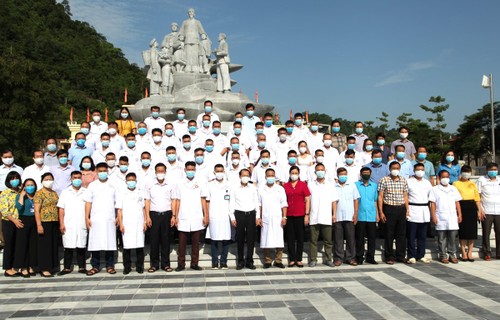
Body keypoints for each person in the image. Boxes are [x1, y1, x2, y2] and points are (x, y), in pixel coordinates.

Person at [172, 161, 208, 271]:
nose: (190, 171)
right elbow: (176, 200)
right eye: (189, 169)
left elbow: (203, 199)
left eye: (192, 169)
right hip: (183, 216)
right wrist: (175, 216)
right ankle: (181, 264)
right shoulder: (179, 183)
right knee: (182, 243)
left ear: (195, 170)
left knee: (195, 243)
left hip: (197, 216)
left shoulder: (200, 182)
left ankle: (194, 263)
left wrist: (206, 215)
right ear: (185, 170)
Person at [85, 163, 118, 276]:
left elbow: (118, 202)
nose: (103, 173)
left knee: (110, 242)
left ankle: (110, 265)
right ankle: (95, 265)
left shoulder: (113, 184)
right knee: (95, 242)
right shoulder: (92, 185)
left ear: (108, 171)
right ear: (96, 172)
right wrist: (87, 217)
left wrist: (118, 216)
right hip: (96, 218)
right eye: (100, 171)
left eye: (104, 170)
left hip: (110, 218)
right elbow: (88, 202)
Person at [144, 163, 175, 273]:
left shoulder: (170, 184)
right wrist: (147, 216)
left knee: (166, 240)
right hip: (154, 215)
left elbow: (173, 200)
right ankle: (154, 264)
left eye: (162, 171)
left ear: (165, 172)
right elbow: (147, 201)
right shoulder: (149, 184)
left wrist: (174, 216)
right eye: (158, 171)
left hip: (166, 215)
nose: (160, 173)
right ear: (155, 172)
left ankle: (166, 264)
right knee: (154, 241)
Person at [378, 161, 409, 264]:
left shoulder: (403, 180)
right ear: (389, 169)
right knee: (389, 234)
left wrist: (407, 209)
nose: (395, 170)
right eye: (393, 168)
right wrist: (381, 212)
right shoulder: (384, 180)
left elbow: (405, 195)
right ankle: (389, 256)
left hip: (401, 208)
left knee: (401, 234)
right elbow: (380, 196)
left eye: (397, 168)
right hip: (389, 208)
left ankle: (400, 256)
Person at [57, 171, 87, 275]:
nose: (77, 179)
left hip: (82, 222)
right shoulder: (65, 192)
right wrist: (61, 223)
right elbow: (61, 209)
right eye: (75, 177)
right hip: (68, 223)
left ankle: (82, 267)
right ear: (71, 179)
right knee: (68, 247)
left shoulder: (86, 191)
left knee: (81, 246)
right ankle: (66, 268)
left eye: (79, 177)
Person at [308, 163, 339, 267]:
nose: (320, 171)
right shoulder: (310, 184)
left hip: (326, 216)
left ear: (325, 171)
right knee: (313, 240)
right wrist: (307, 214)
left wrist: (334, 214)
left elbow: (334, 200)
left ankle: (328, 258)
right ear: (315, 172)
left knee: (328, 240)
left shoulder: (330, 184)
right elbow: (307, 200)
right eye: (318, 170)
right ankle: (313, 259)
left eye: (322, 169)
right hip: (314, 216)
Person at [430, 170, 462, 264]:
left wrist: (459, 214)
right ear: (439, 178)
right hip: (440, 216)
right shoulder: (435, 189)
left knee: (452, 238)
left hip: (452, 216)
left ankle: (452, 255)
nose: (445, 179)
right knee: (441, 238)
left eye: (447, 177)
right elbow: (433, 204)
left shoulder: (453, 188)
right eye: (443, 177)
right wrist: (434, 216)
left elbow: (457, 202)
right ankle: (443, 255)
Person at [229, 168, 259, 270]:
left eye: (247, 175)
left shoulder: (253, 188)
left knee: (251, 238)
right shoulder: (234, 188)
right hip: (239, 214)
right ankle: (240, 261)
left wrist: (258, 216)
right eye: (243, 175)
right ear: (239, 176)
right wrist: (232, 217)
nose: (245, 177)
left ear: (249, 177)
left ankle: (249, 261)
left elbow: (256, 203)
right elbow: (231, 203)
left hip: (251, 214)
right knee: (240, 238)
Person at [117, 173, 146, 274]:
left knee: (139, 246)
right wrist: (121, 224)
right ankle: (127, 267)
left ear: (136, 181)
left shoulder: (141, 193)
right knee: (127, 247)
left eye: (133, 180)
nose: (131, 182)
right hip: (127, 223)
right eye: (129, 180)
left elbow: (144, 208)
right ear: (126, 182)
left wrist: (145, 221)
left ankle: (139, 266)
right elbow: (119, 210)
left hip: (139, 222)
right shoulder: (121, 193)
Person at [258, 168, 288, 268]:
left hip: (277, 218)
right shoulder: (261, 189)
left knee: (279, 239)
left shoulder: (280, 189)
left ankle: (278, 260)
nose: (270, 177)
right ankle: (267, 260)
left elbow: (284, 204)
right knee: (266, 239)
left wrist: (284, 216)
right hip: (266, 217)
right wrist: (259, 217)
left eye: (272, 175)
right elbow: (259, 204)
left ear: (275, 177)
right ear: (265, 177)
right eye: (268, 175)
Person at [283, 166, 311, 267]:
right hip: (289, 215)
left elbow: (307, 199)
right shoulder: (285, 186)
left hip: (300, 215)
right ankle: (292, 258)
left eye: (296, 173)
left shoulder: (303, 185)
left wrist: (307, 214)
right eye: (292, 173)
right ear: (289, 174)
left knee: (300, 237)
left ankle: (299, 258)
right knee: (290, 238)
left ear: (299, 174)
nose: (294, 174)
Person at [453, 165, 482, 261]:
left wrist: (479, 210)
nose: (466, 174)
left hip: (472, 206)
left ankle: (470, 252)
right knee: (463, 231)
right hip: (461, 206)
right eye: (464, 171)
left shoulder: (473, 184)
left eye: (468, 172)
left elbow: (477, 198)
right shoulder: (456, 183)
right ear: (461, 172)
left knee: (472, 232)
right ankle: (463, 252)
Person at [206, 164, 232, 269]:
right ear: (214, 172)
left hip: (226, 215)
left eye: (221, 171)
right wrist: (207, 215)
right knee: (214, 239)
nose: (219, 173)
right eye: (217, 171)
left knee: (226, 239)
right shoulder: (210, 185)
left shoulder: (229, 185)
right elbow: (207, 201)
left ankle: (224, 261)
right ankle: (215, 261)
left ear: (224, 172)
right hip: (214, 215)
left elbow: (231, 201)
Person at [406, 163, 433, 264]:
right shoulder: (409, 181)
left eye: (422, 169)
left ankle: (421, 255)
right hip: (413, 209)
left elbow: (431, 197)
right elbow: (405, 196)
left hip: (424, 210)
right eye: (418, 169)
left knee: (422, 236)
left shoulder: (427, 183)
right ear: (414, 170)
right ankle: (412, 255)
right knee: (412, 235)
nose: (420, 171)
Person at [34, 172, 59, 277]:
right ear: (42, 181)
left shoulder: (54, 193)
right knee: (45, 246)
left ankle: (52, 266)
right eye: (46, 179)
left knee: (53, 245)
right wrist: (39, 225)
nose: (49, 181)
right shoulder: (39, 193)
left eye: (50, 179)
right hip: (44, 222)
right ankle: (44, 268)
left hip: (54, 221)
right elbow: (36, 210)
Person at [334, 168, 360, 266]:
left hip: (350, 215)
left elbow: (356, 200)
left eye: (345, 174)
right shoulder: (333, 186)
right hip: (338, 216)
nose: (343, 176)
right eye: (341, 174)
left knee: (350, 238)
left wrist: (356, 214)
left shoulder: (352, 186)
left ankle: (350, 257)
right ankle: (338, 258)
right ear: (337, 175)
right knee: (338, 238)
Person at [13, 178, 38, 277]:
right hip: (24, 220)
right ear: (24, 187)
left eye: (32, 185)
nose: (30, 187)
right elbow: (19, 208)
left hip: (34, 220)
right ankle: (23, 267)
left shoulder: (37, 196)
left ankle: (32, 266)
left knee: (33, 244)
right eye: (28, 185)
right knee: (22, 245)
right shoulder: (20, 195)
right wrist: (22, 196)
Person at [476, 162, 500, 261]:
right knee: (486, 233)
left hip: (499, 211)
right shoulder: (481, 180)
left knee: (499, 232)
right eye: (491, 170)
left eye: (495, 170)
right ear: (487, 170)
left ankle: (499, 253)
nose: (493, 171)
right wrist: (480, 210)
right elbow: (478, 196)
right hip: (486, 210)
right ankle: (487, 252)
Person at [355, 167, 378, 265]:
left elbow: (375, 201)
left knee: (372, 238)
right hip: (360, 215)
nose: (366, 174)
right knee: (359, 238)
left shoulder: (374, 185)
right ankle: (359, 257)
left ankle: (370, 257)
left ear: (371, 174)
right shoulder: (355, 185)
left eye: (368, 173)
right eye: (364, 173)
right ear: (361, 174)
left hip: (372, 215)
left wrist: (377, 214)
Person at [1, 171, 22, 276]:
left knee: (17, 245)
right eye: (12, 179)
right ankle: (8, 268)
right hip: (9, 222)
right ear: (8, 181)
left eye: (16, 178)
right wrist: (14, 220)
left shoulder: (21, 191)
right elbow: (4, 210)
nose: (15, 180)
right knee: (9, 245)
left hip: (20, 221)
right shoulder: (5, 193)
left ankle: (15, 266)